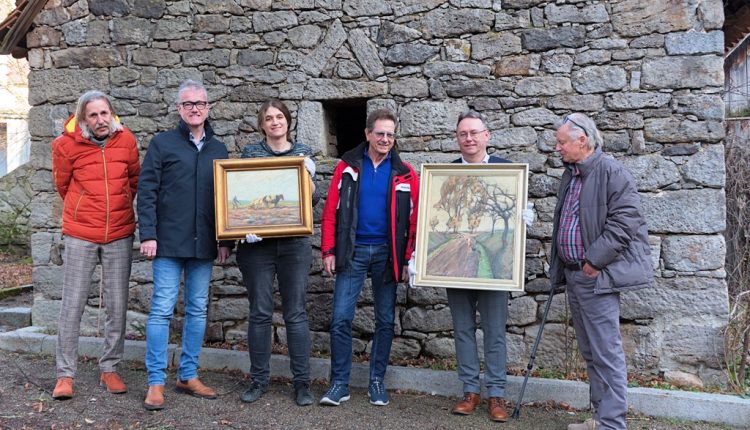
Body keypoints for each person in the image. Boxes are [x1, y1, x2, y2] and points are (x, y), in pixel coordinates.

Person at [551, 113, 653, 430]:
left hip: (596, 277)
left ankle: (612, 424)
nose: (557, 148)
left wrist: (593, 262)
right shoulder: (572, 175)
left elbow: (625, 223)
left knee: (606, 352)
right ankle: (600, 418)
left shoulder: (613, 172)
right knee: (591, 351)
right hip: (574, 276)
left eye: (561, 142)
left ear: (582, 140)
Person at [137, 80, 233, 411]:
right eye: (188, 104)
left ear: (208, 108)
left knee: (197, 311)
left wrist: (225, 241)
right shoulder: (162, 144)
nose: (195, 109)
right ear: (179, 109)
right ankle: (155, 382)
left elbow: (226, 199)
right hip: (167, 243)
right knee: (162, 310)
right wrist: (148, 234)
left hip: (204, 243)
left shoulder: (219, 149)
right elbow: (147, 190)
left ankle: (188, 375)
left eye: (200, 103)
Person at [435, 110, 534, 422]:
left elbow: (512, 214)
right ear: (457, 138)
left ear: (486, 135)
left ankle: (496, 394)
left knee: (494, 331)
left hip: (497, 277)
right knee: (462, 329)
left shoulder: (507, 171)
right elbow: (439, 216)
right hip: (457, 272)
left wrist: (524, 216)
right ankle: (469, 391)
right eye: (463, 134)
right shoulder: (445, 175)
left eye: (474, 132)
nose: (469, 138)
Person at [319, 109, 419, 407]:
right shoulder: (347, 167)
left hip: (389, 254)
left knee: (385, 320)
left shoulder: (405, 172)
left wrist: (408, 258)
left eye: (390, 134)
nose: (385, 139)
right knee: (340, 319)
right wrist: (328, 250)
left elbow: (414, 220)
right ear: (367, 134)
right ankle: (339, 384)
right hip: (353, 250)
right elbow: (330, 211)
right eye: (380, 133)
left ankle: (377, 381)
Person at [50, 90, 140, 400]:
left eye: (104, 113)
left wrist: (119, 204)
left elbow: (133, 180)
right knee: (72, 304)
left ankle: (110, 368)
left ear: (111, 114)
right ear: (82, 119)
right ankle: (65, 374)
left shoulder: (126, 140)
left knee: (117, 305)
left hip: (119, 232)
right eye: (93, 115)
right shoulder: (65, 145)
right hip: (81, 233)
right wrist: (84, 210)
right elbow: (63, 185)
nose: (100, 120)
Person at [236, 99, 320, 407]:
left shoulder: (303, 153)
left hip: (293, 244)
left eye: (279, 117)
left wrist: (308, 176)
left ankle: (302, 384)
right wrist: (241, 228)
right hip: (257, 246)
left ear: (287, 121)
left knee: (295, 312)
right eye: (269, 118)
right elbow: (241, 193)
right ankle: (258, 380)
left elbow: (312, 201)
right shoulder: (250, 154)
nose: (275, 122)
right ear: (262, 124)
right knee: (260, 312)